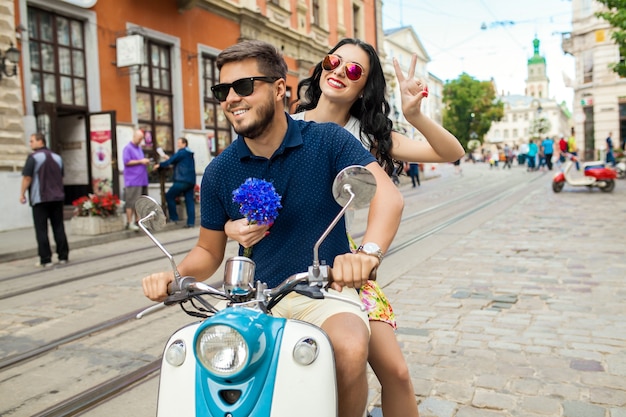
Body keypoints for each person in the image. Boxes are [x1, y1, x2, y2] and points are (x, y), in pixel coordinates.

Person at [142, 40, 404, 417]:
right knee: (203, 365)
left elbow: (388, 197)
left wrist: (366, 254)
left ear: (280, 88)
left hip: (322, 290)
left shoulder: (327, 140)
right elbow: (208, 252)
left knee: (348, 348)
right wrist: (173, 276)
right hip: (251, 299)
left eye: (244, 86)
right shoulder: (220, 170)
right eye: (223, 90)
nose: (232, 98)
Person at [286, 38, 461, 417]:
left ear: (363, 87)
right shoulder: (286, 126)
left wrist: (414, 115)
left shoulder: (365, 135)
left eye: (353, 70)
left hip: (345, 263)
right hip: (284, 263)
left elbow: (451, 153)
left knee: (396, 372)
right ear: (321, 67)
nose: (338, 72)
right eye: (334, 61)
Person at [19, 132, 69, 267]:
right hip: (57, 197)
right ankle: (63, 255)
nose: (30, 144)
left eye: (32, 141)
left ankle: (45, 259)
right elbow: (61, 176)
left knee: (41, 229)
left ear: (40, 141)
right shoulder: (57, 157)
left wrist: (22, 193)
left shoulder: (33, 158)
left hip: (41, 198)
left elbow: (27, 177)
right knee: (58, 226)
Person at [154, 137, 196, 227]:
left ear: (184, 144)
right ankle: (191, 222)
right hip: (191, 180)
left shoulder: (182, 152)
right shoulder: (189, 153)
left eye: (179, 143)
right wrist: (168, 158)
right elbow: (175, 160)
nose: (178, 144)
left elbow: (170, 161)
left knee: (169, 196)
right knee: (189, 201)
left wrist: (159, 165)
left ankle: (174, 218)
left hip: (182, 180)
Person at [122, 129, 150, 231]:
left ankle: (139, 221)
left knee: (140, 202)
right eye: (139, 138)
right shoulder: (128, 148)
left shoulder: (139, 148)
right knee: (131, 202)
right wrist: (141, 161)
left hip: (142, 179)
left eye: (142, 138)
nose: (141, 140)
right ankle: (129, 222)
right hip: (133, 180)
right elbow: (126, 161)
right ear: (134, 137)